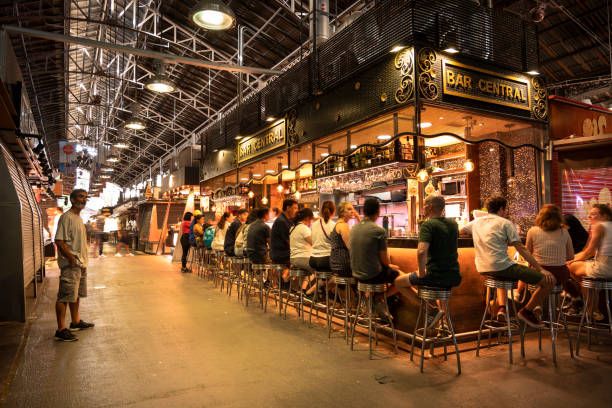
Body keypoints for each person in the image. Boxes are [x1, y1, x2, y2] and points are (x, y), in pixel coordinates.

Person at [461, 196, 555, 328]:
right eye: (505, 209)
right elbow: (521, 248)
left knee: (504, 272)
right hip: (502, 267)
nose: (506, 212)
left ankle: (502, 309)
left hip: (483, 268)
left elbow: (461, 230)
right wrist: (540, 268)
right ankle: (527, 312)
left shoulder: (476, 222)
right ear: (501, 209)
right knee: (548, 281)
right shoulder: (505, 223)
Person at [395, 195, 461, 296]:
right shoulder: (454, 224)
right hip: (454, 275)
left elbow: (421, 251)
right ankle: (441, 311)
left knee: (398, 282)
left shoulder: (428, 225)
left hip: (435, 275)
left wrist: (421, 273)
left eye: (424, 206)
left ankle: (431, 310)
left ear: (430, 207)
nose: (423, 208)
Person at [54, 189, 94, 342]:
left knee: (75, 295)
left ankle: (75, 322)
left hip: (80, 264)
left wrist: (82, 261)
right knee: (64, 296)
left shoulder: (79, 218)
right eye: (80, 196)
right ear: (72, 199)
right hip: (71, 264)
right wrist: (70, 259)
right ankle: (61, 329)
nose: (83, 200)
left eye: (85, 197)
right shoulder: (67, 217)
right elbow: (59, 241)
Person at [526, 205, 580, 312]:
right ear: (559, 217)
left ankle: (537, 306)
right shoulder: (564, 232)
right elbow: (570, 256)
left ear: (540, 216)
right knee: (564, 276)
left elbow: (528, 254)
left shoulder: (532, 231)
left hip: (539, 273)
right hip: (560, 275)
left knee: (531, 277)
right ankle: (575, 297)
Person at [350, 198, 405, 298]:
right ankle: (378, 299)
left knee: (394, 272)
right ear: (378, 212)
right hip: (372, 275)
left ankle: (374, 300)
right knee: (401, 278)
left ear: (364, 211)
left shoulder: (353, 229)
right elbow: (384, 261)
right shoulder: (379, 231)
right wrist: (390, 265)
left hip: (356, 274)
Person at [330, 202, 360, 277]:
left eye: (353, 209)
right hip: (343, 263)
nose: (352, 211)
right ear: (342, 212)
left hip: (336, 262)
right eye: (349, 209)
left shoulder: (338, 224)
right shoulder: (343, 225)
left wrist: (358, 218)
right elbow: (350, 247)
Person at [270, 199, 298, 266]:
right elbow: (288, 241)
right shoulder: (281, 221)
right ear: (288, 208)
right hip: (281, 255)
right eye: (295, 208)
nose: (297, 211)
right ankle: (286, 275)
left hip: (284, 253)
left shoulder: (286, 220)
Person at [309, 201, 336, 272]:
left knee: (322, 276)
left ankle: (322, 283)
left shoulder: (314, 224)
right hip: (326, 259)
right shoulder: (334, 225)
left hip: (313, 259)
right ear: (333, 211)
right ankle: (325, 282)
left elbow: (312, 241)